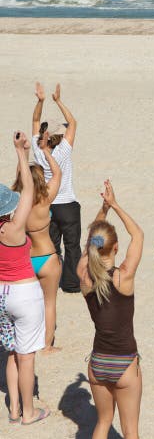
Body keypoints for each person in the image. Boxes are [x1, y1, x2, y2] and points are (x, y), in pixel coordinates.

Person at [77, 180, 154, 439]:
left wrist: (103, 211)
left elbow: (88, 246)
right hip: (124, 362)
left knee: (102, 422)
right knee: (130, 430)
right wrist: (117, 205)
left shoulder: (85, 276)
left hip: (97, 363)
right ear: (114, 249)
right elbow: (138, 235)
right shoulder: (123, 277)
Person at [1, 131, 49, 425]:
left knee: (10, 354)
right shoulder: (15, 228)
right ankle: (29, 413)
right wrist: (21, 152)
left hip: (1, 295)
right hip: (24, 293)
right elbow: (29, 189)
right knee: (26, 356)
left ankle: (15, 409)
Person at [12, 132, 62, 354]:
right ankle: (47, 345)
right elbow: (58, 172)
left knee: (31, 306)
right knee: (49, 303)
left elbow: (21, 178)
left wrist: (22, 155)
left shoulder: (18, 203)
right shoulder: (45, 200)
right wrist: (45, 151)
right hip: (48, 257)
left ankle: (27, 343)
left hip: (27, 260)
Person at [30, 82, 81, 293]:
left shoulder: (39, 151)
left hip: (48, 205)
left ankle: (51, 278)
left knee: (52, 245)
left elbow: (34, 120)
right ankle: (71, 284)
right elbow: (73, 122)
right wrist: (58, 101)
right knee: (72, 246)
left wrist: (40, 101)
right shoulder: (63, 151)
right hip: (67, 204)